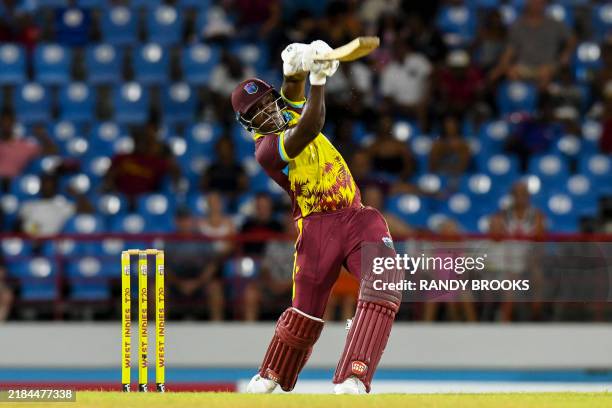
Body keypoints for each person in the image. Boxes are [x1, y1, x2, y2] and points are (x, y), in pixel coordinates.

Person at [231, 40, 403, 395]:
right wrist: (320, 80)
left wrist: (295, 66)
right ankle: (271, 375)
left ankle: (354, 375)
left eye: (267, 101)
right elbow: (311, 125)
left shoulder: (288, 109)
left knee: (385, 283)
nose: (267, 110)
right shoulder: (266, 149)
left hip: (356, 217)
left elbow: (292, 87)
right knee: (305, 315)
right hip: (317, 227)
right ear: (248, 123)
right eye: (257, 110)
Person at [490, 0, 575, 89]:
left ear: (544, 4)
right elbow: (509, 51)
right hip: (523, 67)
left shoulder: (555, 24)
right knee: (505, 75)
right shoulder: (517, 25)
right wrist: (505, 66)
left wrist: (566, 53)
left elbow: (572, 40)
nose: (536, 5)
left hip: (547, 66)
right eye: (533, 2)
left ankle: (543, 99)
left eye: (539, 3)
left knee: (545, 76)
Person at [165, 208, 224, 321]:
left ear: (192, 221)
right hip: (176, 281)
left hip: (200, 280)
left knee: (215, 288)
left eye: (186, 219)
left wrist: (197, 283)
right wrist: (179, 283)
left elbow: (212, 264)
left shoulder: (203, 239)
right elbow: (163, 267)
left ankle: (217, 328)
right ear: (176, 222)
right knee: (156, 290)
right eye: (180, 220)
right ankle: (157, 330)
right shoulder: (169, 241)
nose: (184, 223)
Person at [103, 123, 181, 203]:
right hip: (120, 200)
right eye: (141, 140)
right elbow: (109, 178)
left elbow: (176, 173)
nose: (143, 144)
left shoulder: (159, 162)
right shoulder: (122, 158)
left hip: (147, 203)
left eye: (148, 141)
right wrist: (114, 192)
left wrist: (166, 153)